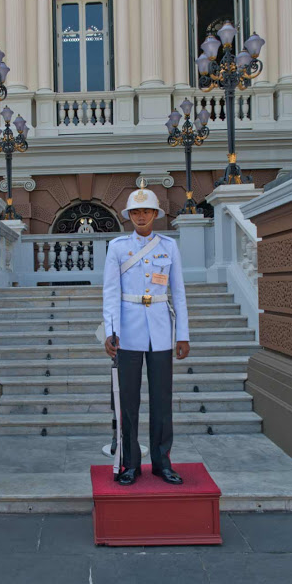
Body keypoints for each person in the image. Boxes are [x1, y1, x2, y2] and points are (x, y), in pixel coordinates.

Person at [103, 183, 190, 486]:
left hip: (161, 330)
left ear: (155, 213)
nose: (141, 216)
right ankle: (130, 464)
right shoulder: (116, 248)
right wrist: (111, 331)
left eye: (146, 211)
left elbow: (178, 293)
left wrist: (183, 334)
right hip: (127, 330)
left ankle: (162, 462)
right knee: (127, 402)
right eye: (136, 211)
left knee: (161, 401)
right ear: (129, 215)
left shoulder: (169, 246)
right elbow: (111, 293)